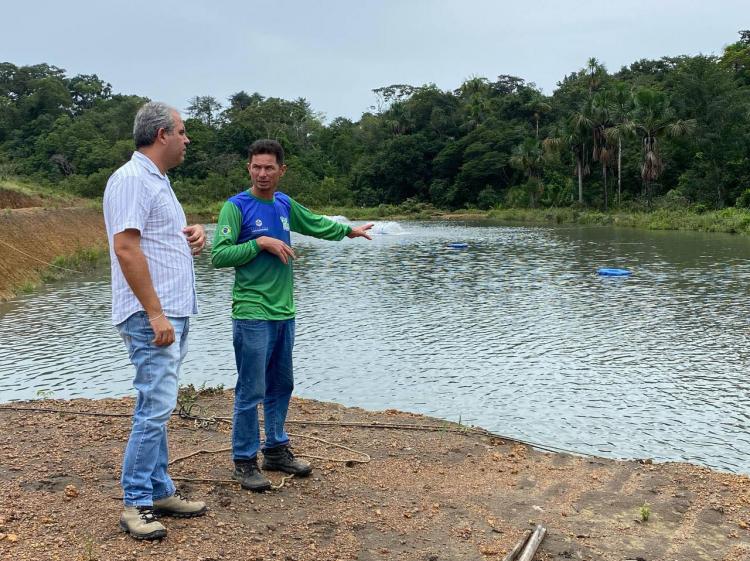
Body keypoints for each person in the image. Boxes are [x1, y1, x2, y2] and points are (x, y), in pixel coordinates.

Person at [211, 139, 373, 491]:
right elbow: (219, 255)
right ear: (248, 168)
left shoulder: (283, 203)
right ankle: (243, 460)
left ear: (281, 170)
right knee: (251, 388)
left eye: (269, 168)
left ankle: (275, 450)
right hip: (252, 310)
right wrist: (260, 243)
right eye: (256, 167)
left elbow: (314, 223)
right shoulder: (235, 207)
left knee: (282, 384)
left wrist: (348, 230)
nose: (262, 174)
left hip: (284, 311)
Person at [103, 101, 208, 540]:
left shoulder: (158, 181)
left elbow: (159, 240)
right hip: (153, 315)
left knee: (160, 405)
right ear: (162, 133)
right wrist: (155, 312)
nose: (187, 140)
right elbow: (126, 248)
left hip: (171, 312)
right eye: (182, 132)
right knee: (155, 406)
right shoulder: (131, 179)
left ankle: (159, 488)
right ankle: (136, 502)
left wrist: (195, 235)